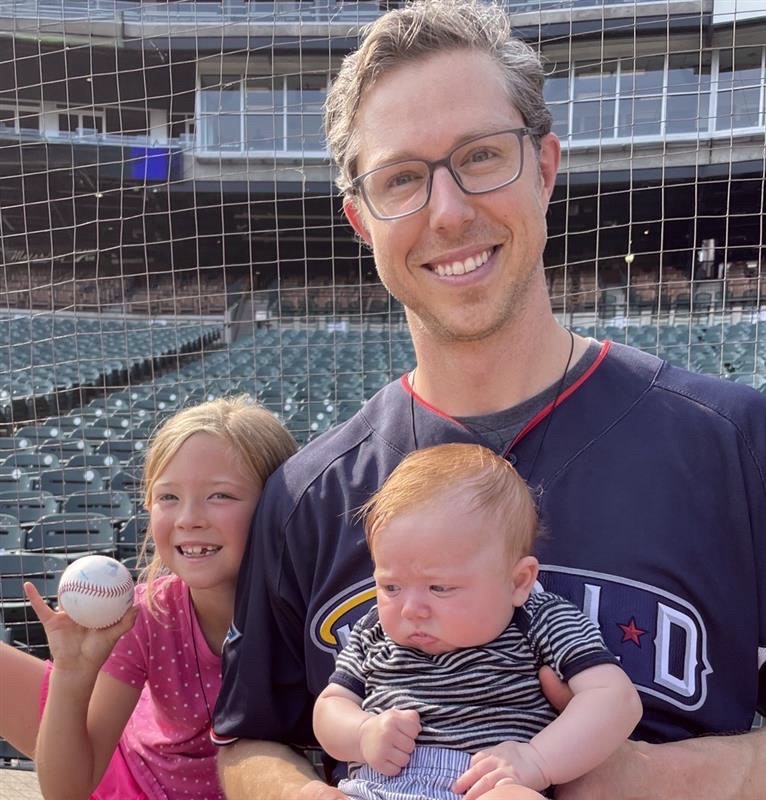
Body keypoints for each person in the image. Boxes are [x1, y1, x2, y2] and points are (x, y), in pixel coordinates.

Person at [213, 2, 766, 798]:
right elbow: (250, 743)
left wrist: (657, 777)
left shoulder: (736, 444)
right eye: (401, 178)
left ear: (544, 166)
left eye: (480, 156)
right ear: (361, 221)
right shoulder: (307, 497)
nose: (448, 211)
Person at [0, 396, 296, 800]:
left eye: (220, 496)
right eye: (168, 498)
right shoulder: (147, 611)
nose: (189, 517)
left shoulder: (307, 612)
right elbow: (66, 791)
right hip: (132, 775)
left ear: (277, 506)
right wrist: (72, 674)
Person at [313, 443, 642, 800]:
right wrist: (361, 733)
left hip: (483, 785)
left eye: (439, 587)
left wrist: (537, 759)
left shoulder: (539, 620)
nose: (411, 609)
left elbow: (615, 699)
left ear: (518, 582)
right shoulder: (373, 630)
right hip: (375, 788)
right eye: (391, 586)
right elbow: (330, 706)